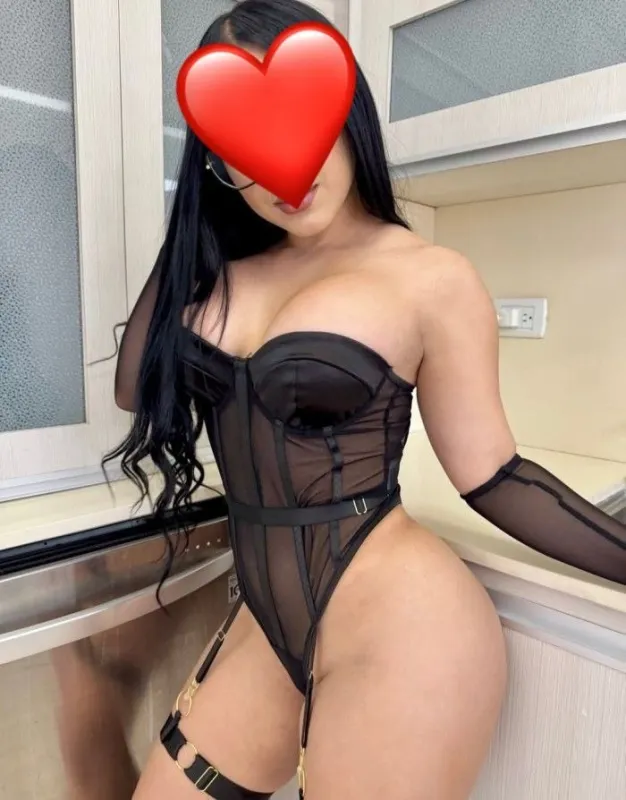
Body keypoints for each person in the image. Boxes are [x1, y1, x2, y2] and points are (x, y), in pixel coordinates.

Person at [106, 2, 626, 798]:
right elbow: (132, 385)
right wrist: (190, 233)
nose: (282, 166)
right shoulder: (223, 278)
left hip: (402, 626)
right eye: (242, 146)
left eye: (300, 124)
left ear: (347, 114)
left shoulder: (429, 277)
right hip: (266, 626)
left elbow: (495, 476)